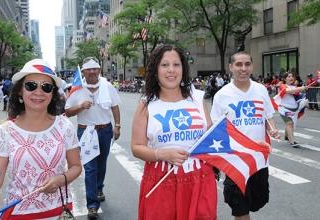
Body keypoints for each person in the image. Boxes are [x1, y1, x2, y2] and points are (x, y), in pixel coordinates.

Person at [131, 45, 217, 220]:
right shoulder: (146, 103)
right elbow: (137, 147)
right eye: (164, 65)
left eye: (176, 65)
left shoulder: (198, 99)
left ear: (183, 68)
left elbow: (213, 138)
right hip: (161, 179)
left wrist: (246, 147)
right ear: (156, 70)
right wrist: (161, 154)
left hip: (200, 178)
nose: (171, 70)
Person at [0, 59, 82, 219]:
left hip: (58, 212)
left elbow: (76, 166)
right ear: (20, 90)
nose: (38, 92)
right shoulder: (6, 131)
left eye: (46, 87)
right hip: (18, 214)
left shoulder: (65, 126)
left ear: (53, 93)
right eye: (31, 85)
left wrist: (61, 179)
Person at [210, 51, 279, 220]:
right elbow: (216, 129)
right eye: (239, 65)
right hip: (236, 161)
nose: (243, 68)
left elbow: (268, 117)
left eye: (247, 64)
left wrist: (272, 129)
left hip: (259, 159)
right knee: (240, 208)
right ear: (231, 67)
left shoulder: (261, 90)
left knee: (258, 200)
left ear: (252, 66)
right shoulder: (222, 95)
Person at [65, 57, 121, 219]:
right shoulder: (76, 89)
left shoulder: (107, 86)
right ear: (83, 72)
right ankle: (92, 205)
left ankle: (98, 188)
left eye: (95, 68)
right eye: (88, 69)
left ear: (99, 71)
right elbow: (67, 112)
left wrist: (117, 125)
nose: (92, 72)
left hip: (105, 130)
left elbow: (115, 106)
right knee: (90, 168)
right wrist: (80, 106)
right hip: (86, 132)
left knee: (101, 163)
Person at [278, 71, 308, 148]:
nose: (291, 78)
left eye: (292, 76)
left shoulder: (294, 87)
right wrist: (300, 88)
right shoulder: (282, 85)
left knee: (290, 123)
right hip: (284, 109)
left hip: (293, 109)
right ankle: (292, 141)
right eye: (289, 76)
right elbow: (287, 91)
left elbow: (297, 94)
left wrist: (303, 89)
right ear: (284, 79)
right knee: (289, 123)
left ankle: (286, 136)